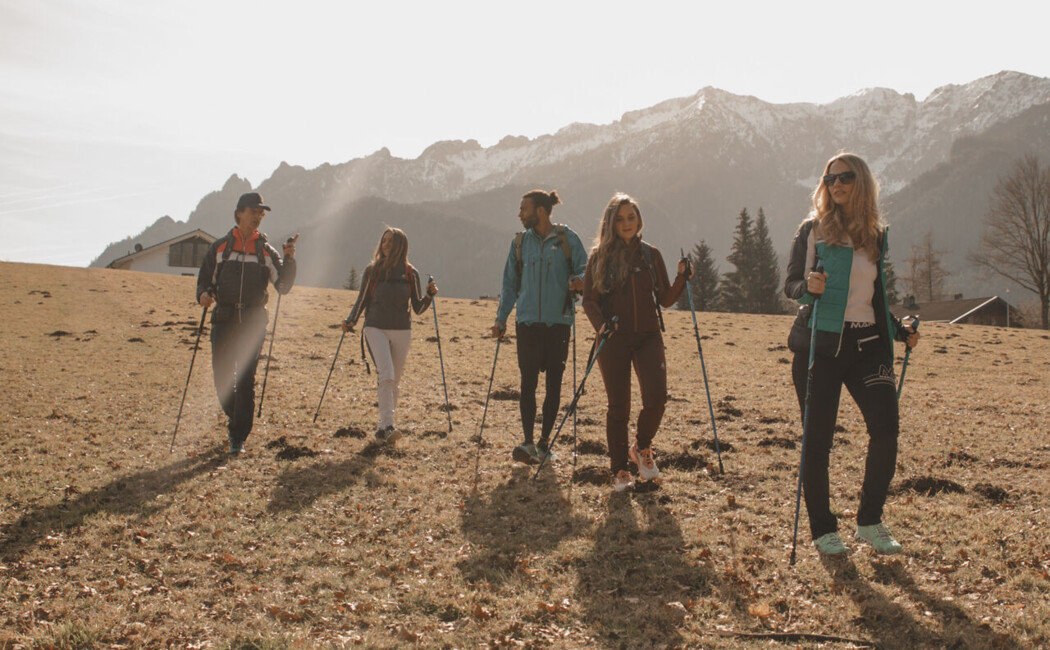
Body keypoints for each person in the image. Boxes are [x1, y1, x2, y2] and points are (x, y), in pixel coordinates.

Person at [784, 152, 920, 556]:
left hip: (867, 346)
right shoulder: (812, 230)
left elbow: (874, 295)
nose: (836, 185)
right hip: (820, 346)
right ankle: (824, 530)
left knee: (886, 430)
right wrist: (808, 287)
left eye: (844, 177)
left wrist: (898, 330)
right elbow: (790, 284)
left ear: (861, 182)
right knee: (818, 441)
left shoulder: (875, 235)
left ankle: (870, 521)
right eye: (829, 179)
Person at [582, 193, 690, 491]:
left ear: (639, 220)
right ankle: (619, 471)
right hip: (613, 339)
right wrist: (602, 327)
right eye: (620, 218)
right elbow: (589, 301)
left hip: (648, 336)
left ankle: (641, 447)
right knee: (619, 407)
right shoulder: (599, 257)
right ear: (611, 222)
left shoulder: (650, 254)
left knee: (657, 399)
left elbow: (665, 298)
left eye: (631, 217)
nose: (627, 223)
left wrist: (682, 278)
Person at [492, 189, 588, 464]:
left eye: (524, 208)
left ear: (541, 211)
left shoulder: (567, 239)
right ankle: (527, 443)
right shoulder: (520, 243)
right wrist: (501, 319)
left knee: (554, 385)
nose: (520, 214)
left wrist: (579, 279)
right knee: (528, 383)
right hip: (528, 323)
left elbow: (586, 267)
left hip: (559, 322)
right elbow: (510, 283)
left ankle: (545, 442)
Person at [197, 192, 297, 455]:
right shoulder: (220, 248)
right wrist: (203, 295)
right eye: (254, 212)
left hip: (253, 322)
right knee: (222, 379)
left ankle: (238, 435)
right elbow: (205, 279)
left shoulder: (266, 252)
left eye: (261, 214)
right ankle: (236, 417)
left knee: (244, 380)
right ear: (239, 212)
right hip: (223, 319)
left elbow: (283, 286)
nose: (258, 217)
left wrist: (289, 259)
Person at [343, 227, 436, 442]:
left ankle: (382, 428)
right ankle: (388, 425)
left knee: (394, 380)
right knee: (386, 374)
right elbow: (362, 299)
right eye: (384, 241)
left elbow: (418, 308)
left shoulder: (411, 273)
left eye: (391, 242)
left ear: (400, 246)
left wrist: (430, 296)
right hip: (375, 327)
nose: (386, 245)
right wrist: (351, 320)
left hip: (403, 329)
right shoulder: (372, 271)